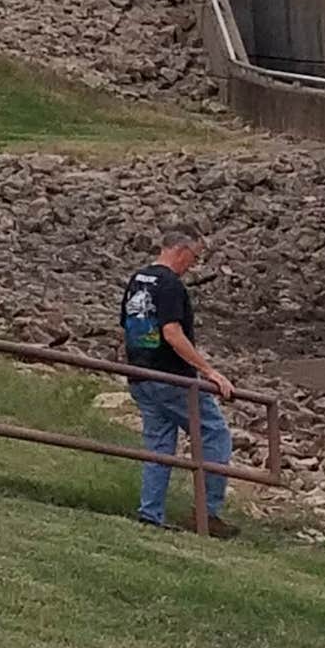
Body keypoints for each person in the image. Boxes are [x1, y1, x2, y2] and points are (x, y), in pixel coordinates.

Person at [120, 226, 238, 538]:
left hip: (141, 375)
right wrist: (209, 371)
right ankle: (206, 512)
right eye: (194, 257)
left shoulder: (138, 279)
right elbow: (172, 333)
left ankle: (150, 512)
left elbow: (128, 325)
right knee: (215, 434)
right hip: (171, 378)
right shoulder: (171, 285)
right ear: (181, 250)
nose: (193, 265)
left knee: (159, 447)